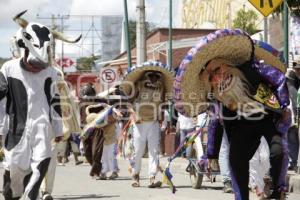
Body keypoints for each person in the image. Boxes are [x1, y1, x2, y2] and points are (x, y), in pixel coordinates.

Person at [173, 29, 290, 200]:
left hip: (268, 119)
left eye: (217, 69)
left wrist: (284, 104)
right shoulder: (218, 100)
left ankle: (278, 188)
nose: (218, 78)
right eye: (211, 77)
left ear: (226, 64)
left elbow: (279, 79)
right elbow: (214, 124)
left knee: (278, 150)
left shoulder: (252, 68)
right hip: (242, 127)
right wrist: (211, 154)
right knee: (235, 160)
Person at [0, 10, 81, 200]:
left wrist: (58, 128)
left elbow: (55, 101)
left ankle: (32, 195)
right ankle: (13, 188)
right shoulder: (8, 68)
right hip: (15, 127)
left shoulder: (51, 73)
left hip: (42, 125)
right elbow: (2, 100)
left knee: (42, 161)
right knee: (14, 167)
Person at [120, 61, 174, 188]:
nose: (154, 78)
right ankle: (135, 176)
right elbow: (128, 102)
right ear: (146, 75)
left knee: (154, 151)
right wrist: (133, 114)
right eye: (151, 75)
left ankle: (152, 177)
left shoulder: (162, 87)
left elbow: (162, 103)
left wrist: (163, 119)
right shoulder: (138, 85)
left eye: (157, 76)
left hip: (153, 122)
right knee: (138, 151)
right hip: (139, 123)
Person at [285, 57, 300, 171]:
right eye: (296, 69)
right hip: (294, 111)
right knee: (292, 136)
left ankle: (294, 161)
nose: (297, 71)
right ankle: (293, 161)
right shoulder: (291, 78)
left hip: (295, 111)